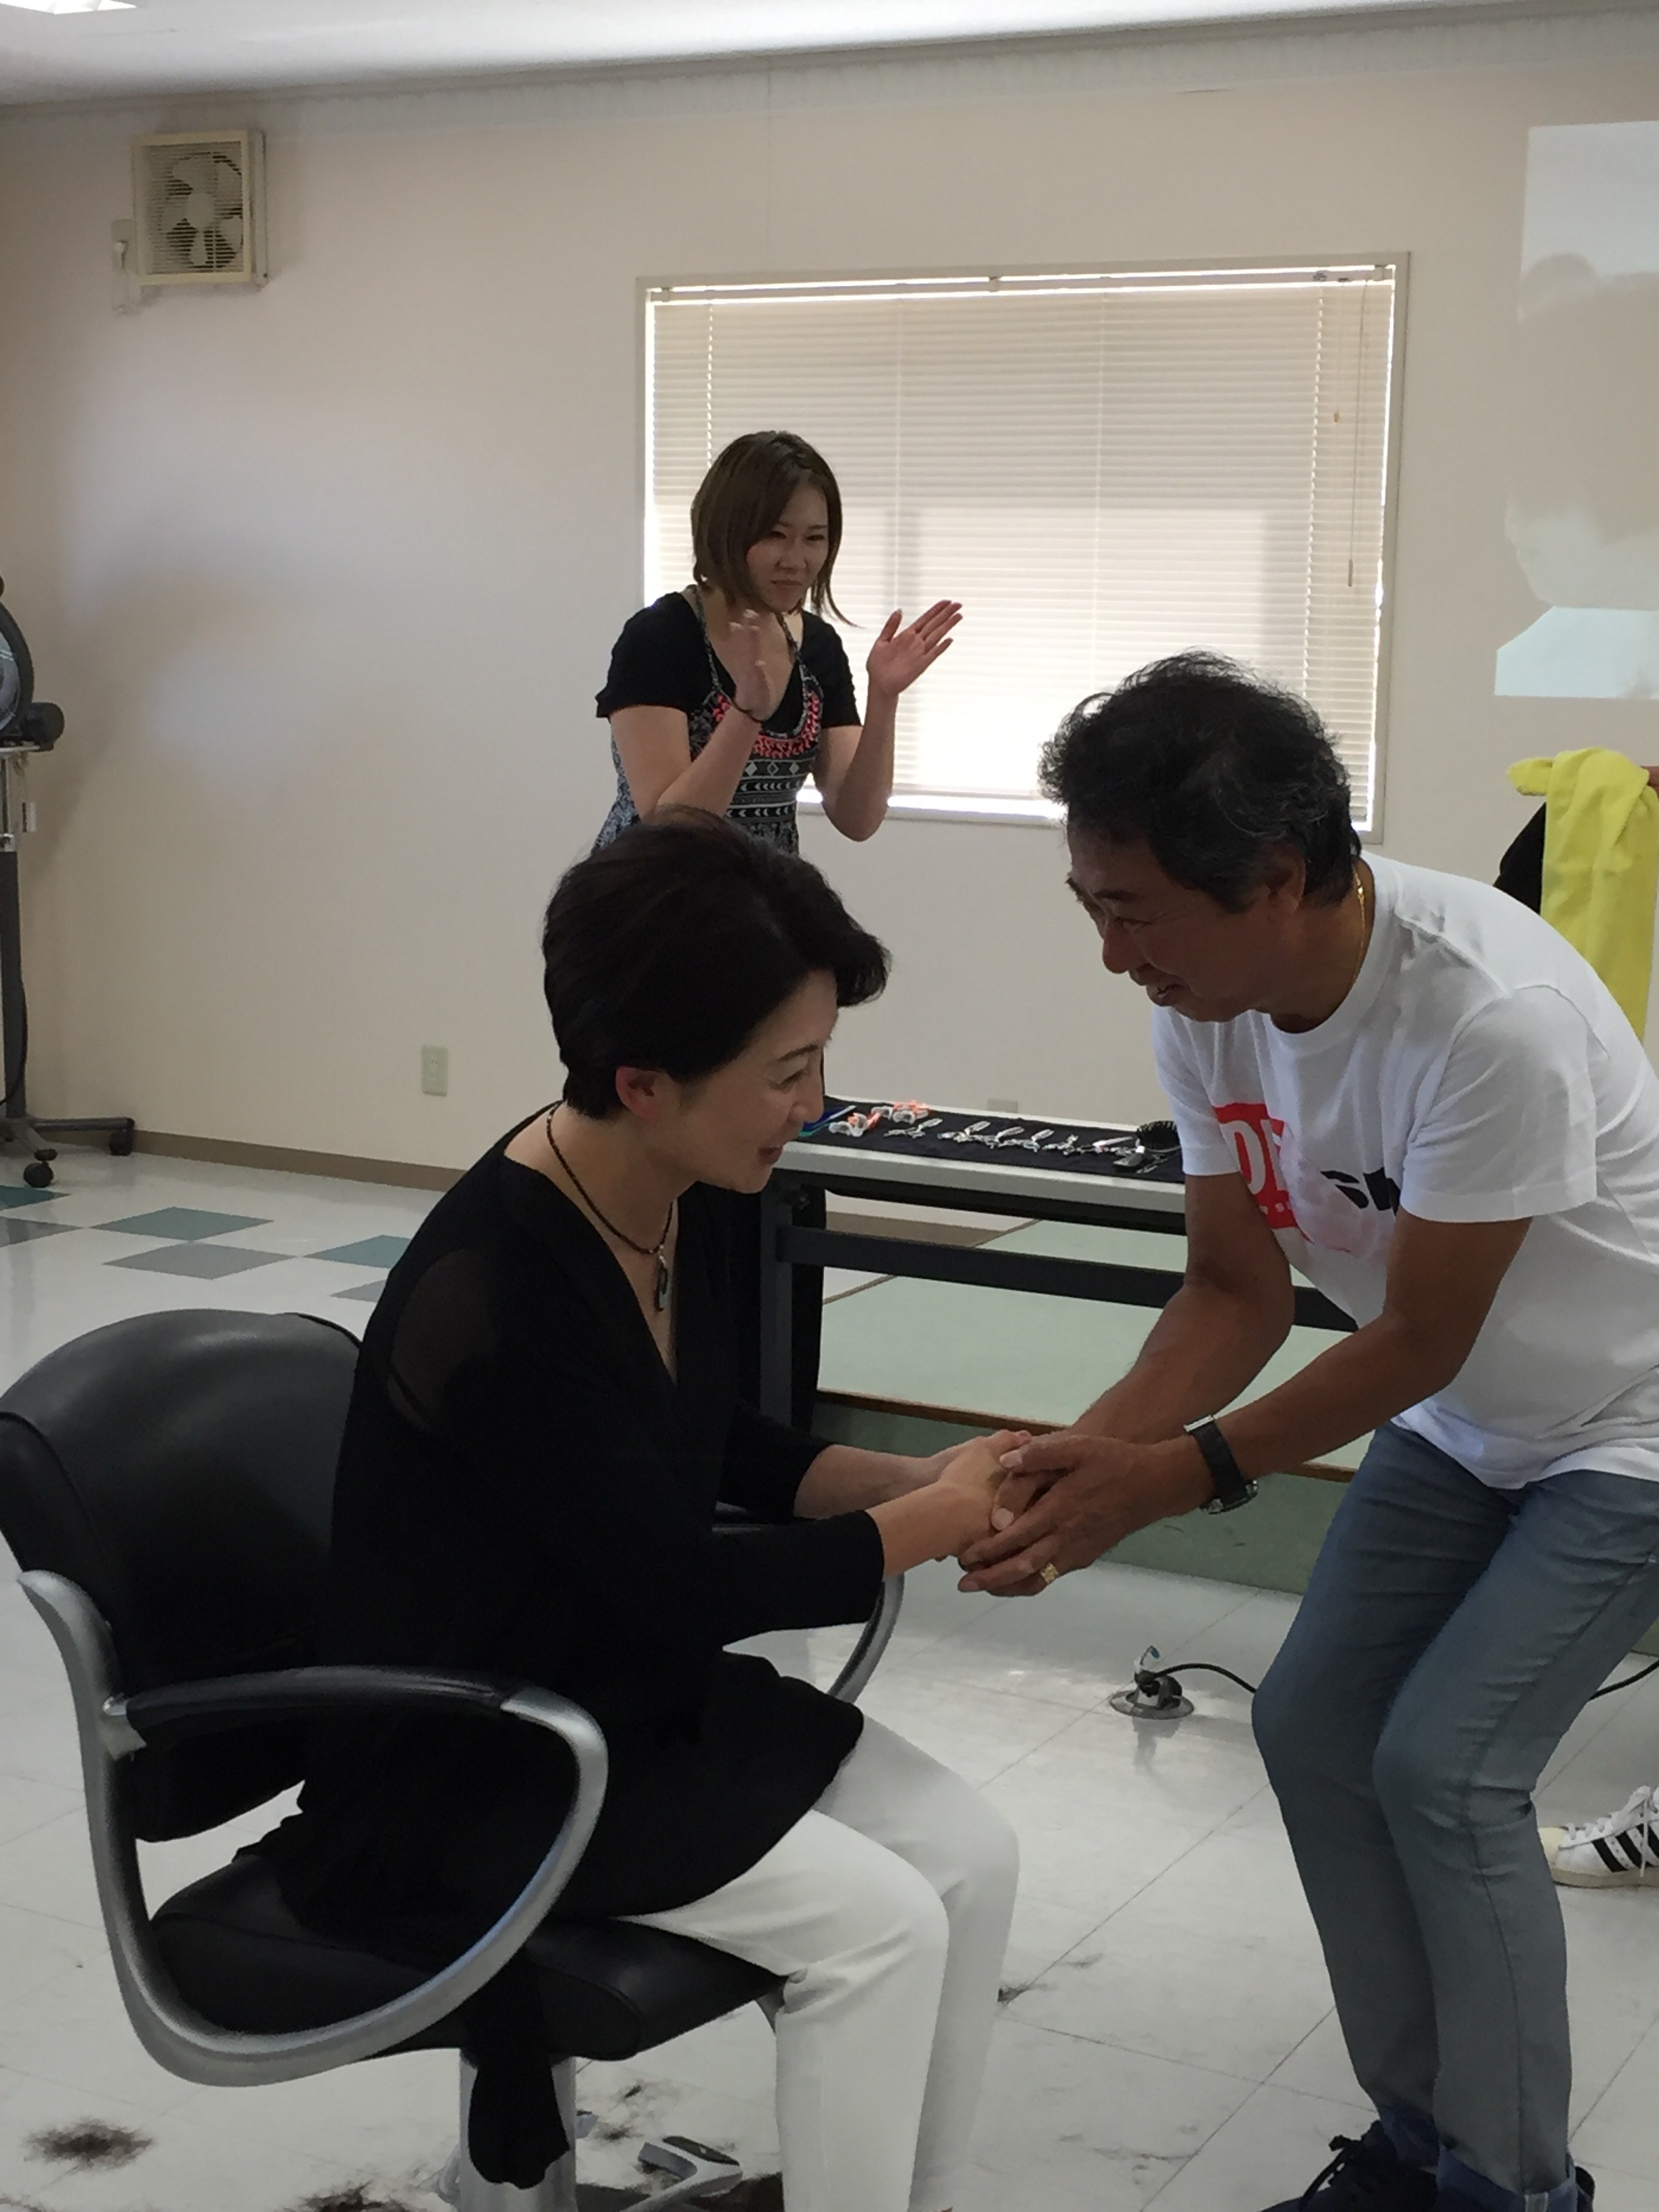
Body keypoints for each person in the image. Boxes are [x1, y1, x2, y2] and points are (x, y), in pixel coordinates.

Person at [958, 653, 1659, 2212]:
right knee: (1312, 1731)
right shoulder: (1209, 1003)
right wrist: (1074, 1468)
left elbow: (1416, 1331)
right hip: (1457, 1421)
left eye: (1132, 911)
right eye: (1089, 906)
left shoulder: (1490, 1014)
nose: (1111, 953)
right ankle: (1417, 2146)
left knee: (1443, 1772)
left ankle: (1512, 2190)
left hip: (1628, 1427)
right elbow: (1234, 1289)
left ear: (1276, 876)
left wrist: (1174, 1475)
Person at [257, 811, 1018, 2212]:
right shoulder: (497, 1295)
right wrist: (922, 1527)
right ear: (643, 1083)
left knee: (973, 1859)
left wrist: (909, 1482)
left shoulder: (690, 1187)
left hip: (619, 1692)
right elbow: (677, 1586)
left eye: (819, 1060)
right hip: (480, 1754)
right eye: (786, 1072)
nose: (814, 1102)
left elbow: (707, 1435)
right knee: (880, 1933)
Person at [593, 428, 961, 853]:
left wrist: (884, 697)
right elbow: (670, 828)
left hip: (763, 888)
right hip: (650, 886)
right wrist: (746, 713)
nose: (796, 560)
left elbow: (857, 819)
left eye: (815, 538)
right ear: (727, 530)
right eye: (775, 535)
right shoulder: (659, 636)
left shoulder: (817, 646)